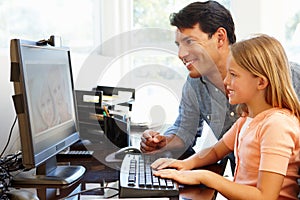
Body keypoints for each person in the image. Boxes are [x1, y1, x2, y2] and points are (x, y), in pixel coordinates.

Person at [152, 34, 300, 200]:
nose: (225, 80)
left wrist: (206, 177)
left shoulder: (277, 126)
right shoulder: (246, 119)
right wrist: (186, 164)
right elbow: (216, 151)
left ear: (260, 82)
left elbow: (265, 196)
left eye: (233, 75)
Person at [140, 1, 238, 161]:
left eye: (189, 42)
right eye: (179, 45)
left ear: (220, 38)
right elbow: (185, 130)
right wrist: (161, 142)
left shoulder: (279, 74)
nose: (180, 54)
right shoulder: (195, 84)